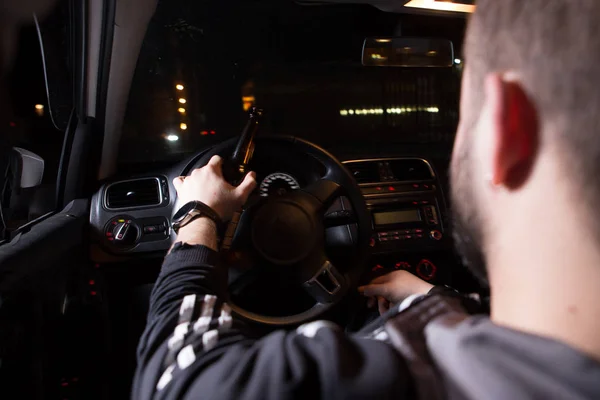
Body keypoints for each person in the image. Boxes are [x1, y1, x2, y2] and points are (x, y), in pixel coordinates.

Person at [132, 0, 600, 398]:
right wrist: (441, 302)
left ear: (504, 128)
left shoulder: (405, 375)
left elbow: (178, 379)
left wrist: (198, 217)